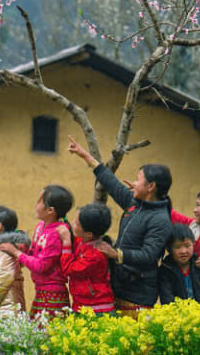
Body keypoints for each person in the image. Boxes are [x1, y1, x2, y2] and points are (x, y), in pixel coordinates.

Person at [67, 135, 172, 319]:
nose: (134, 182)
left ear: (151, 186)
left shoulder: (160, 219)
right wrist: (85, 156)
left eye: (139, 180)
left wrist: (117, 254)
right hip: (119, 284)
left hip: (138, 294)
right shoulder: (134, 203)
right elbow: (111, 183)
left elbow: (149, 255)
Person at [0, 185, 73, 320]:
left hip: (53, 294)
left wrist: (16, 252)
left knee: (46, 334)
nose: (35, 205)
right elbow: (34, 253)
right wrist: (23, 249)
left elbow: (41, 266)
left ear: (50, 210)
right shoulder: (40, 227)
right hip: (41, 290)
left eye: (39, 201)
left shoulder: (57, 233)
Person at [61, 203, 116, 315]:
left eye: (76, 224)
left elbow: (69, 269)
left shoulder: (96, 254)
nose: (72, 224)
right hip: (83, 305)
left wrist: (66, 245)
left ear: (89, 234)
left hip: (96, 310)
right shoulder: (82, 242)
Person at [158, 224, 200, 306]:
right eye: (177, 247)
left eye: (187, 246)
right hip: (178, 316)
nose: (184, 251)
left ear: (193, 244)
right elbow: (167, 299)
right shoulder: (165, 270)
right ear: (169, 249)